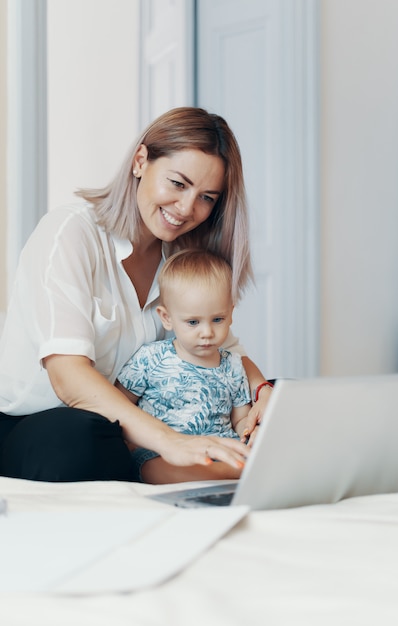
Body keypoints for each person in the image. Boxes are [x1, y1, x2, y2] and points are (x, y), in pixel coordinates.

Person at [0, 106, 273, 483]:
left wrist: (263, 394)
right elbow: (68, 378)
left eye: (207, 197)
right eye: (178, 184)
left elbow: (227, 355)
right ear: (141, 161)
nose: (187, 208)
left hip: (133, 431)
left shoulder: (183, 259)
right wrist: (170, 441)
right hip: (37, 423)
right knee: (82, 436)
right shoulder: (70, 233)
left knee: (280, 412)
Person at [116, 248, 257, 483]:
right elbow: (121, 404)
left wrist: (249, 436)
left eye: (218, 319)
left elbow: (241, 419)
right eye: (193, 322)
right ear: (167, 318)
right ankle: (223, 476)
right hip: (163, 452)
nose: (207, 332)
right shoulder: (150, 358)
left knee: (250, 456)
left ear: (231, 314)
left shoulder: (233, 365)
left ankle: (230, 472)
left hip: (221, 447)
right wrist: (130, 443)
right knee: (153, 467)